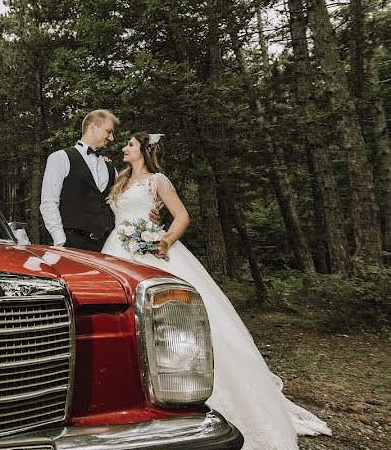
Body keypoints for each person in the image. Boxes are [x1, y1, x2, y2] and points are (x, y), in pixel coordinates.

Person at [101, 132, 332, 449]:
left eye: (129, 143)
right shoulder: (120, 180)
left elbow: (182, 216)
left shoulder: (158, 180)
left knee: (175, 319)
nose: (124, 147)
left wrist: (164, 240)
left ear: (143, 149)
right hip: (116, 249)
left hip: (152, 250)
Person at [40, 109, 120, 252]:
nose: (112, 138)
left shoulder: (110, 168)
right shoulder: (60, 158)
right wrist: (60, 240)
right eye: (109, 131)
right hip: (71, 244)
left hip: (106, 248)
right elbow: (49, 202)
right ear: (93, 128)